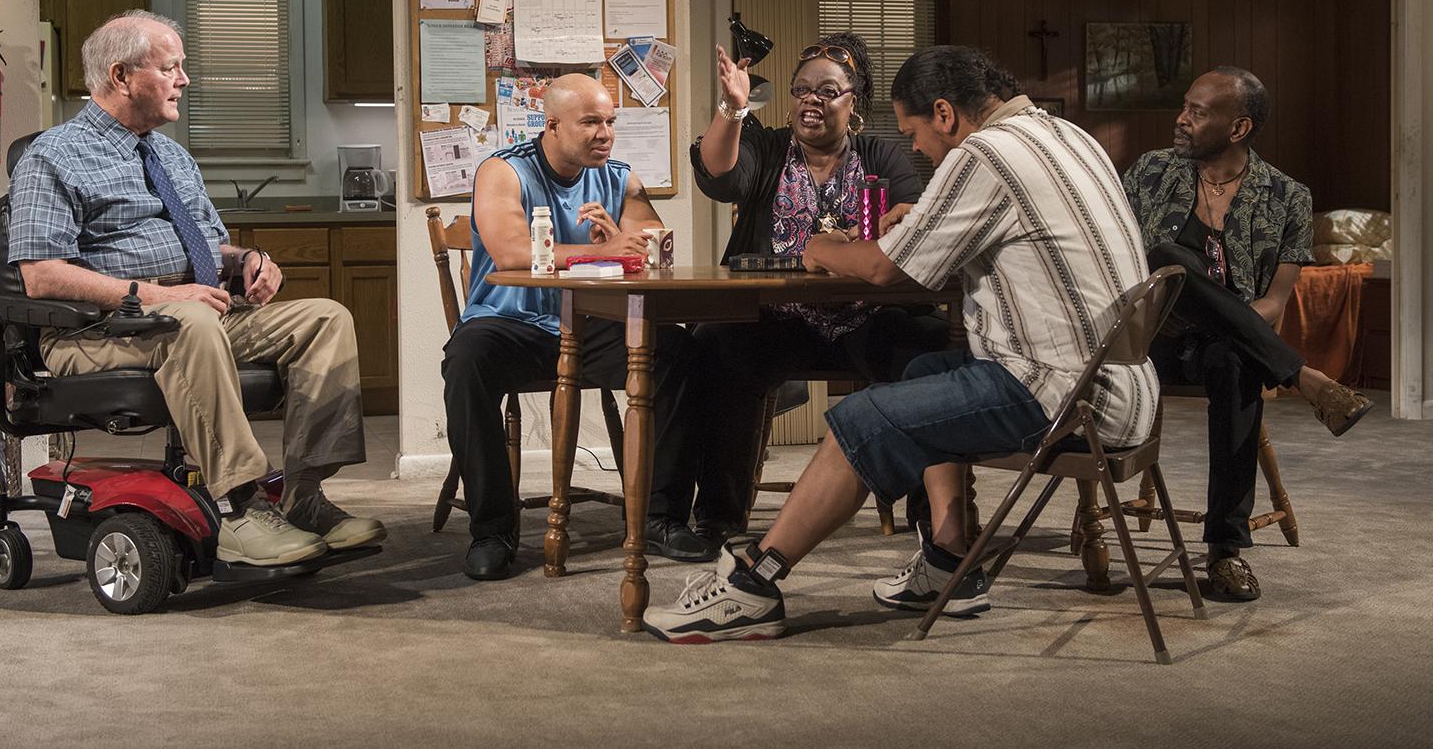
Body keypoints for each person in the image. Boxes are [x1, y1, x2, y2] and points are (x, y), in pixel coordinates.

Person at [643, 45, 1158, 643]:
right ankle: (948, 564)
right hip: (1126, 386)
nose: (915, 148)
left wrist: (820, 249)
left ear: (944, 114)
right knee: (920, 373)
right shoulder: (1067, 135)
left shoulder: (986, 155)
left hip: (1064, 395)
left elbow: (892, 271)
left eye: (916, 131)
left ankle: (755, 583)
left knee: (860, 417)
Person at [9, 9, 384, 568]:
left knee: (325, 317)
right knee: (191, 320)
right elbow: (40, 274)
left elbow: (210, 247)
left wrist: (248, 260)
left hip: (197, 311)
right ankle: (238, 508)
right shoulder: (54, 156)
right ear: (121, 76)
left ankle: (304, 496)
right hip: (98, 329)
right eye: (172, 67)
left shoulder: (171, 154)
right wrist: (157, 296)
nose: (185, 80)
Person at [678, 32, 950, 552]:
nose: (811, 100)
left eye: (827, 91)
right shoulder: (765, 145)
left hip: (866, 316)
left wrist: (905, 216)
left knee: (927, 352)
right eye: (802, 89)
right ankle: (718, 517)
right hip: (778, 320)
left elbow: (917, 223)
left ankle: (934, 523)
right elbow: (718, 172)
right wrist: (732, 109)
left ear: (855, 101)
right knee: (714, 345)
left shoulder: (881, 156)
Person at [1123, 66, 1372, 602]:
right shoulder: (1149, 172)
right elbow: (1121, 269)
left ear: (1238, 128)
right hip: (1151, 340)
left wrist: (1221, 321)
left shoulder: (1287, 196)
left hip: (1227, 343)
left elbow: (1275, 303)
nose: (1182, 119)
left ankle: (1224, 551)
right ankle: (1304, 378)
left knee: (1234, 365)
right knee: (1167, 257)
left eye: (1198, 112)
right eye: (1185, 106)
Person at [441, 73, 700, 580]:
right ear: (553, 124)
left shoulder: (620, 177)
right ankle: (492, 529)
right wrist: (598, 250)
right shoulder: (503, 171)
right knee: (466, 362)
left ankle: (662, 517)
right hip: (510, 323)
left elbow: (655, 249)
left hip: (588, 324)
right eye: (590, 122)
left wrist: (624, 237)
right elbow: (514, 252)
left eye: (610, 122)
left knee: (679, 352)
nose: (604, 133)